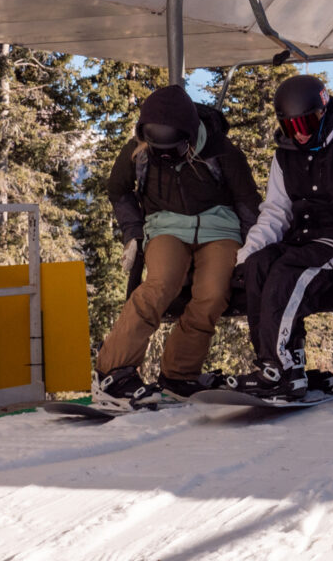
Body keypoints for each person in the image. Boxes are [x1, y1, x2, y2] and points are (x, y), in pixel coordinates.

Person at [229, 75, 333, 401]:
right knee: (261, 266)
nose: (301, 132)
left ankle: (280, 369)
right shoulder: (284, 157)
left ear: (323, 113)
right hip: (301, 241)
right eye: (292, 127)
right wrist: (245, 258)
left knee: (286, 272)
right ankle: (275, 367)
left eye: (306, 122)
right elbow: (276, 213)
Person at [94, 86, 260, 409]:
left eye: (175, 149)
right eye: (159, 150)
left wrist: (253, 250)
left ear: (189, 136)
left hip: (219, 229)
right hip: (165, 227)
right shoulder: (139, 152)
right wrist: (133, 232)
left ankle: (179, 374)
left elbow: (247, 202)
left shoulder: (221, 152)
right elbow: (118, 189)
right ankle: (113, 372)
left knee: (213, 293)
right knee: (160, 284)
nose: (166, 157)